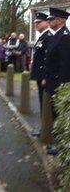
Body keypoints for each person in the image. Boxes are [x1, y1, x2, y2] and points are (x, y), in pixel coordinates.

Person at [43, 8, 70, 155]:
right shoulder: (57, 35)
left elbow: (65, 64)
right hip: (52, 81)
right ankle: (57, 143)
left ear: (59, 20)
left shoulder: (65, 37)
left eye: (51, 19)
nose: (49, 21)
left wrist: (61, 85)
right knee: (54, 114)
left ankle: (60, 146)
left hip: (59, 83)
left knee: (60, 116)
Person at [30, 12, 53, 137]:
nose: (36, 25)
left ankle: (46, 129)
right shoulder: (42, 36)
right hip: (39, 74)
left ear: (46, 23)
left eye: (38, 23)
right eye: (35, 23)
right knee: (42, 101)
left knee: (45, 102)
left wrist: (45, 76)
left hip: (43, 76)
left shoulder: (48, 36)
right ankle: (43, 127)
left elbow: (47, 59)